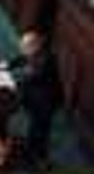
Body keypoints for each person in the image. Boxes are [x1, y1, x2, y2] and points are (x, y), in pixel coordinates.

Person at [12, 30, 61, 164]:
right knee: (37, 127)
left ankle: (36, 157)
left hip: (47, 100)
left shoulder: (47, 59)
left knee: (39, 128)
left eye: (26, 48)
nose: (24, 51)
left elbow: (33, 76)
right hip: (38, 94)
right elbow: (20, 59)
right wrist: (8, 66)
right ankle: (34, 152)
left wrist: (19, 79)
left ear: (36, 45)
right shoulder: (33, 51)